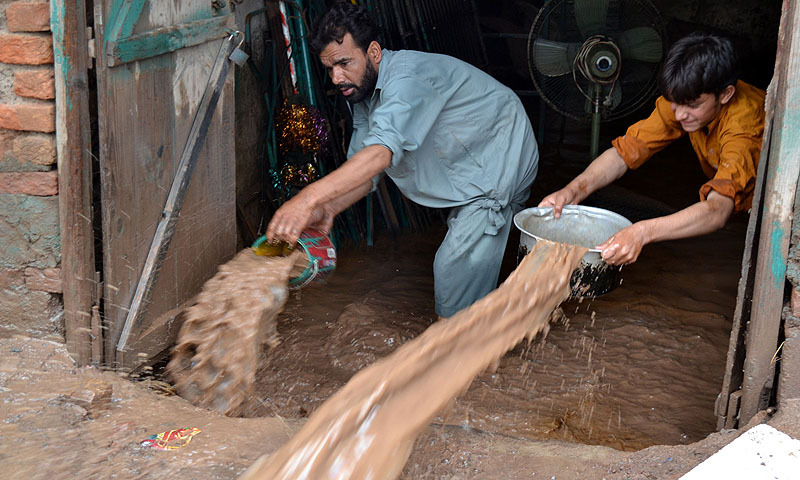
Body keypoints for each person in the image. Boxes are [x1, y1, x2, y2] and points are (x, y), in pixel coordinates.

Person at [266, 2, 539, 317]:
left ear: (374, 52)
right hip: (469, 160)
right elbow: (365, 171)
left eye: (343, 63)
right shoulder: (364, 94)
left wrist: (306, 198)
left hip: (501, 153)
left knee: (453, 266)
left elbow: (380, 155)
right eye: (329, 69)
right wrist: (328, 208)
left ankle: (460, 349)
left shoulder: (407, 79)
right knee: (472, 266)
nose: (336, 78)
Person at [539, 33, 765, 266]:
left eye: (693, 106)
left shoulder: (743, 128)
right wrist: (572, 191)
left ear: (726, 94)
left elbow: (718, 211)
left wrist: (642, 232)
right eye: (675, 104)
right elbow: (624, 152)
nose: (679, 115)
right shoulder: (684, 98)